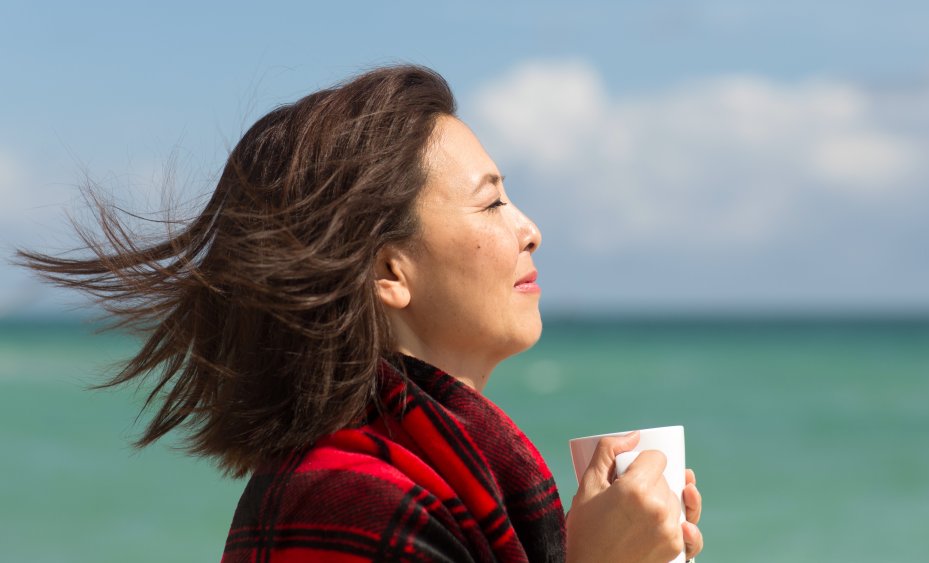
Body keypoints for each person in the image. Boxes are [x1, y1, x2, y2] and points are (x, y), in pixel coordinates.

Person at [18, 65, 703, 562]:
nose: (530, 229)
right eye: (492, 201)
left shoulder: (451, 484)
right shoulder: (342, 500)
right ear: (387, 270)